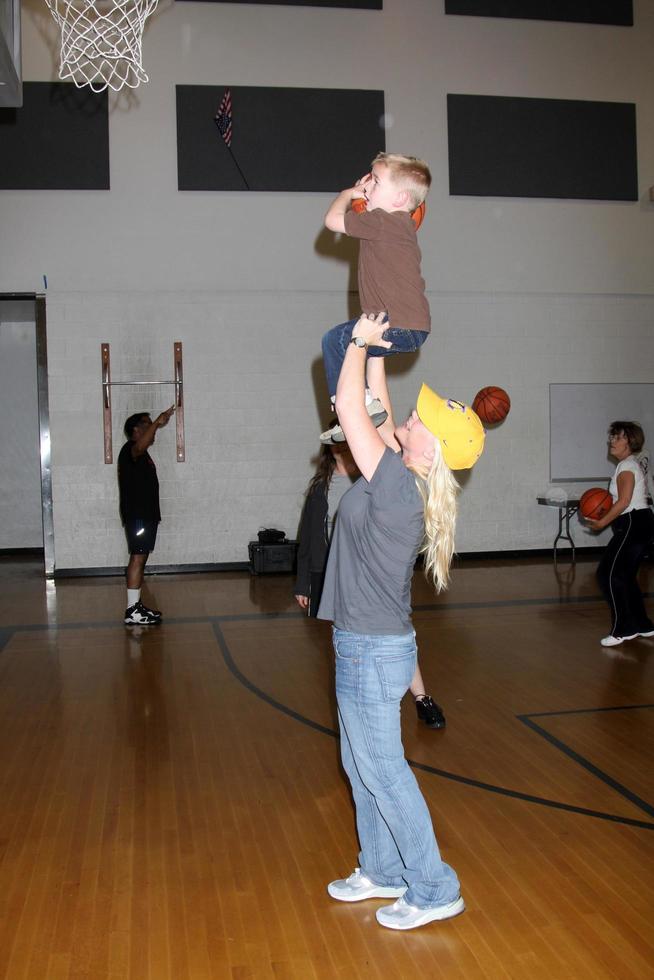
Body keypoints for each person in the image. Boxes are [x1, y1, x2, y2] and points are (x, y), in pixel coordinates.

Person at [319, 312, 484, 931]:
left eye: (424, 422)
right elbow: (379, 409)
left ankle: (435, 886)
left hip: (371, 650)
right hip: (363, 644)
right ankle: (383, 868)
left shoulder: (394, 487)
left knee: (383, 768)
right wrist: (381, 352)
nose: (413, 418)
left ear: (430, 449)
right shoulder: (402, 471)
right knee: (359, 764)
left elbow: (352, 407)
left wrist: (358, 345)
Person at [295, 441, 447, 729]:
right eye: (338, 444)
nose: (344, 449)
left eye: (348, 442)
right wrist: (303, 582)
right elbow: (308, 536)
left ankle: (421, 696)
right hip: (334, 570)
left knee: (394, 630)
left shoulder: (370, 478)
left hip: (370, 572)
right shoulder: (321, 488)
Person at [320, 152, 431, 444]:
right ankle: (368, 404)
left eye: (375, 181)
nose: (366, 187)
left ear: (399, 198)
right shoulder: (401, 226)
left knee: (334, 341)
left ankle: (349, 408)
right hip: (411, 328)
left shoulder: (381, 221)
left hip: (395, 323)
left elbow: (332, 221)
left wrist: (347, 194)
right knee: (362, 355)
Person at [585, 421, 654, 647]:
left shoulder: (626, 467)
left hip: (633, 523)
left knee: (608, 575)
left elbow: (624, 501)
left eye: (618, 437)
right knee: (625, 577)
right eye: (612, 437)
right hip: (639, 523)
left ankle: (623, 629)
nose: (612, 441)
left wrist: (602, 522)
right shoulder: (629, 464)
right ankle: (643, 625)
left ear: (630, 442)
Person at [118, 407, 174, 626]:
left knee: (142, 557)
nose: (152, 429)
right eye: (147, 424)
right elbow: (140, 445)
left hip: (146, 515)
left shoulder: (141, 453)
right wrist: (158, 422)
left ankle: (137, 605)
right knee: (137, 557)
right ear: (136, 430)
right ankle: (132, 611)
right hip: (138, 515)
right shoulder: (131, 449)